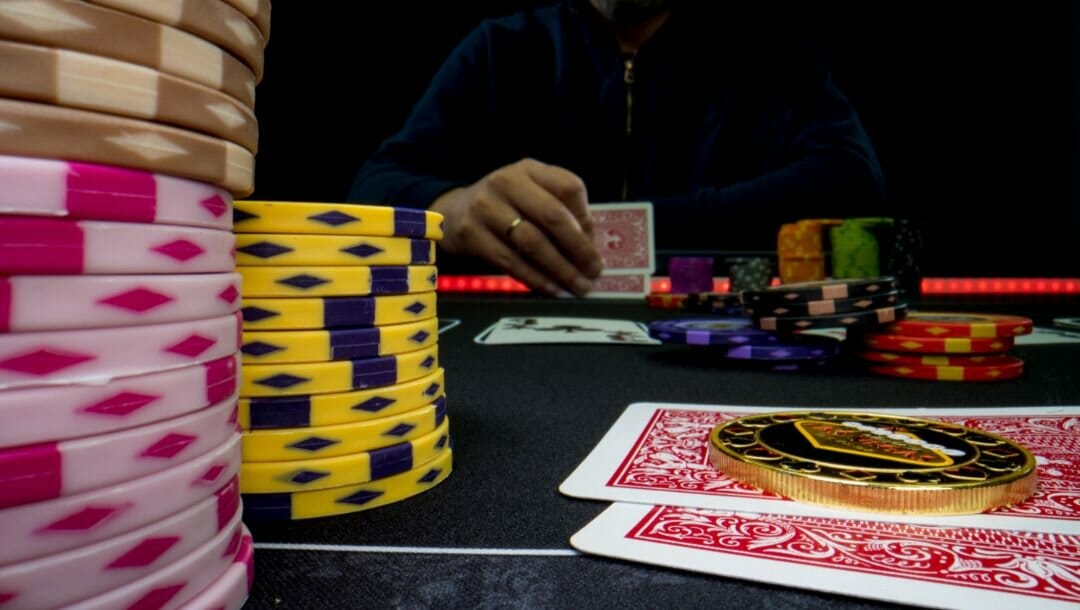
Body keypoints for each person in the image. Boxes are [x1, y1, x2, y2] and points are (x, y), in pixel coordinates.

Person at [349, 0, 886, 296]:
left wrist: (621, 229)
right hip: (526, 353)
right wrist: (454, 209)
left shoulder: (768, 51)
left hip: (720, 335)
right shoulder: (501, 47)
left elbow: (851, 181)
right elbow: (372, 189)